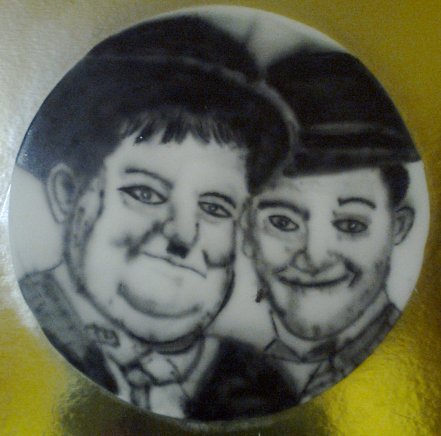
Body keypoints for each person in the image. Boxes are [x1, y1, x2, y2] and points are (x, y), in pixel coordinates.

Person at [14, 16, 296, 420]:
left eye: (215, 208)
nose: (182, 233)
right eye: (144, 193)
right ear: (68, 195)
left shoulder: (255, 386)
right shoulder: (23, 345)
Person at [244, 50, 421, 403]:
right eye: (282, 222)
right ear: (246, 231)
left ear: (398, 228)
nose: (314, 257)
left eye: (351, 224)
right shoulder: (240, 377)